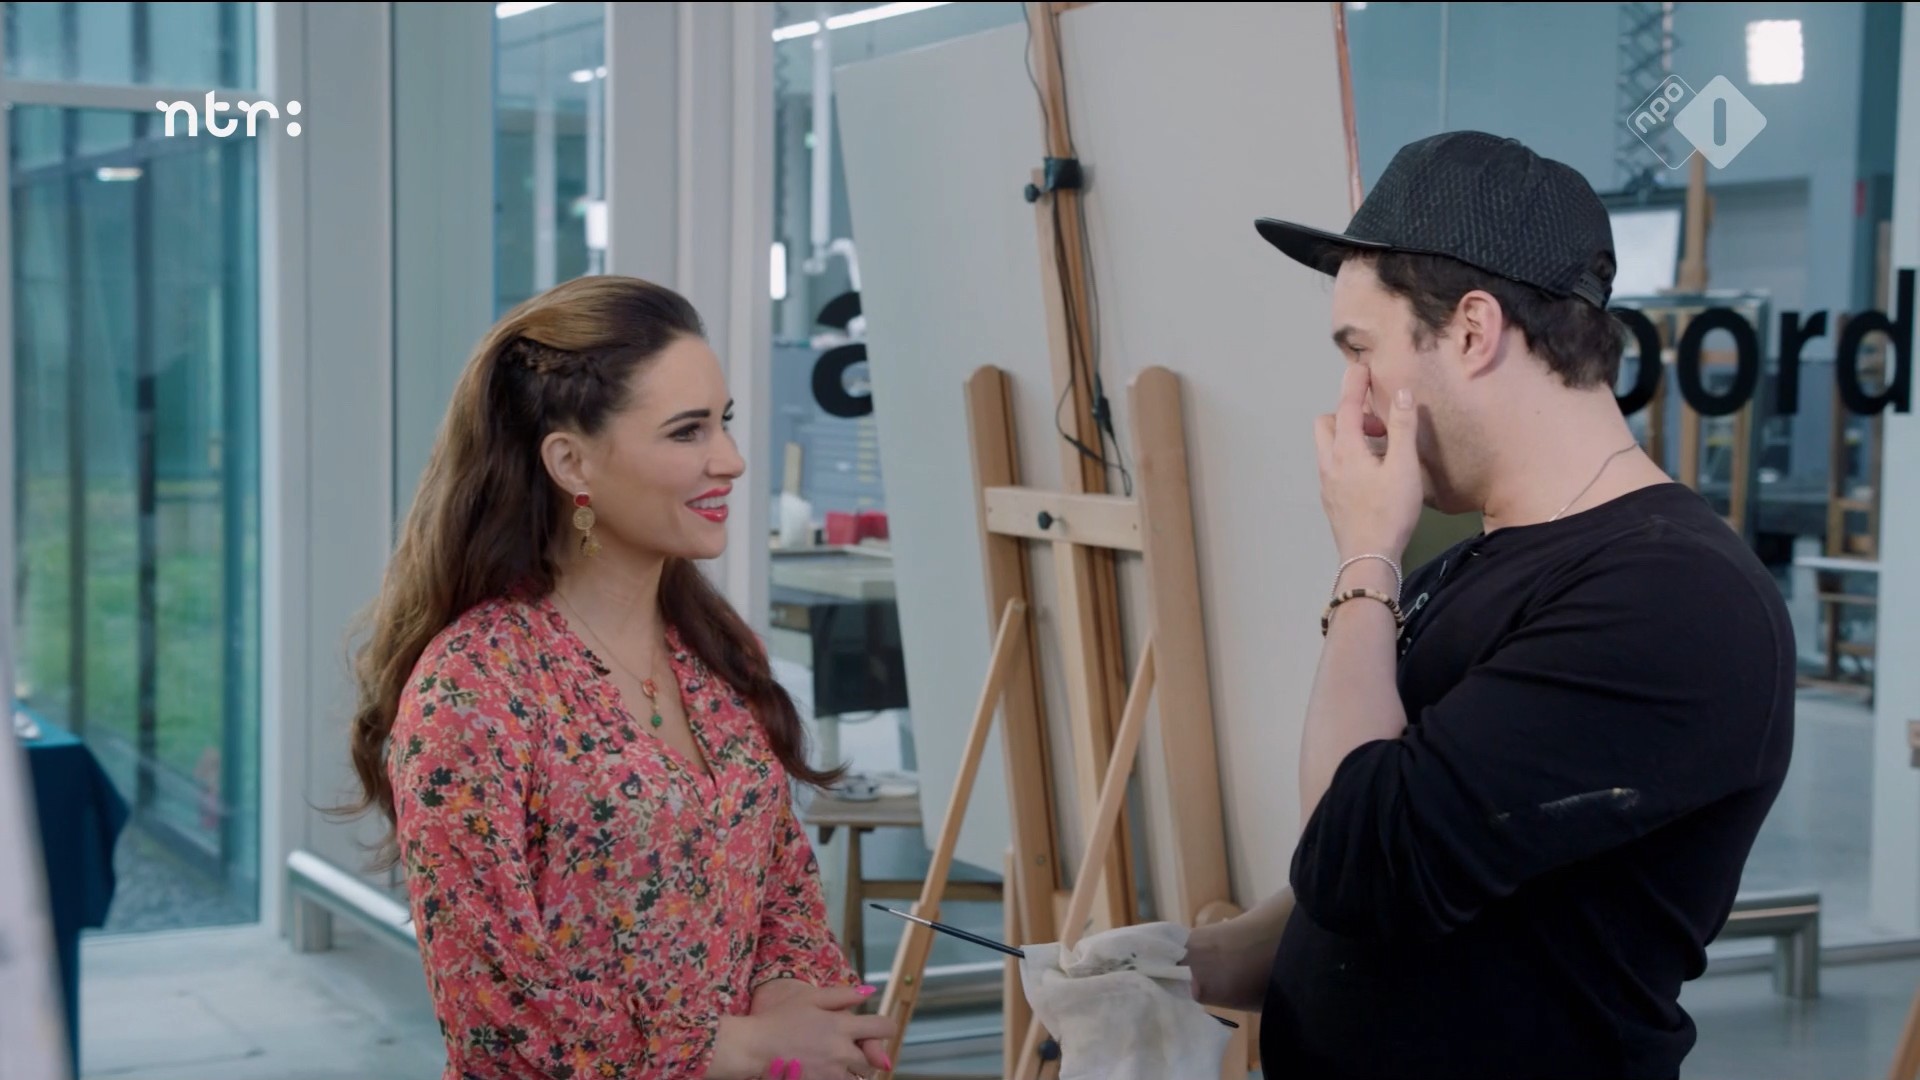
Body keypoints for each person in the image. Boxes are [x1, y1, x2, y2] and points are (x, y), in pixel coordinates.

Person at [1181, 131, 1795, 1079]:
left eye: (1363, 351)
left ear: (1472, 331)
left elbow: (1362, 864)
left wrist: (1366, 561)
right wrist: (1190, 965)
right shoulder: (1479, 561)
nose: (1354, 399)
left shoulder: (1675, 600)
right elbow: (1401, 853)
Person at [341, 276, 897, 1080]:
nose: (731, 460)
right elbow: (496, 1017)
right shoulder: (474, 689)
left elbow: (780, 887)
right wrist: (734, 1047)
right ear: (571, 462)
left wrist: (795, 1001)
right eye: (687, 431)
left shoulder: (718, 651)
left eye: (725, 422)